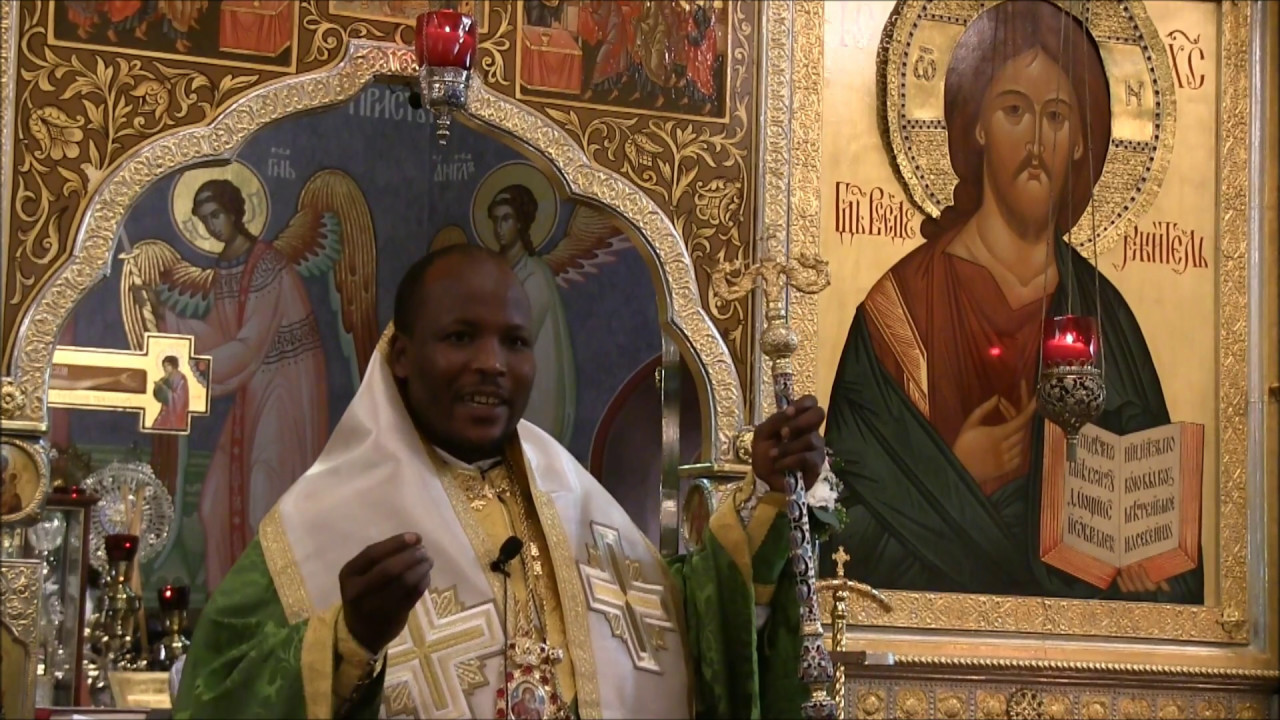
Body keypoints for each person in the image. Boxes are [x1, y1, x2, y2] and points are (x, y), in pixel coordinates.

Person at [174, 244, 828, 718]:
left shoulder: (569, 498)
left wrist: (766, 494)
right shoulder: (319, 523)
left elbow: (682, 633)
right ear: (401, 355)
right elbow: (221, 689)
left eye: (515, 342)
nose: (492, 364)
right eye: (461, 337)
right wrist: (349, 640)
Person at [821, 0, 1202, 603]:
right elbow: (829, 531)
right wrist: (959, 475)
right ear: (976, 124)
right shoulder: (899, 310)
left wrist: (1146, 566)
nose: (1034, 138)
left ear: (1080, 141)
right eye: (1013, 111)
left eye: (1055, 116)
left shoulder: (1107, 317)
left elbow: (1169, 548)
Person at [488, 184, 577, 445]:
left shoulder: (535, 275)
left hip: (533, 398)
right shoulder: (494, 269)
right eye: (495, 220)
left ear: (521, 223)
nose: (499, 228)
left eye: (506, 219)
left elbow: (519, 332)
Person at [152, 354, 191, 431]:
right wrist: (158, 388)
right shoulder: (165, 378)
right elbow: (159, 396)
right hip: (166, 411)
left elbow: (180, 399)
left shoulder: (181, 378)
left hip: (177, 413)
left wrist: (165, 390)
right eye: (164, 366)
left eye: (167, 366)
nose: (165, 368)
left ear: (173, 365)